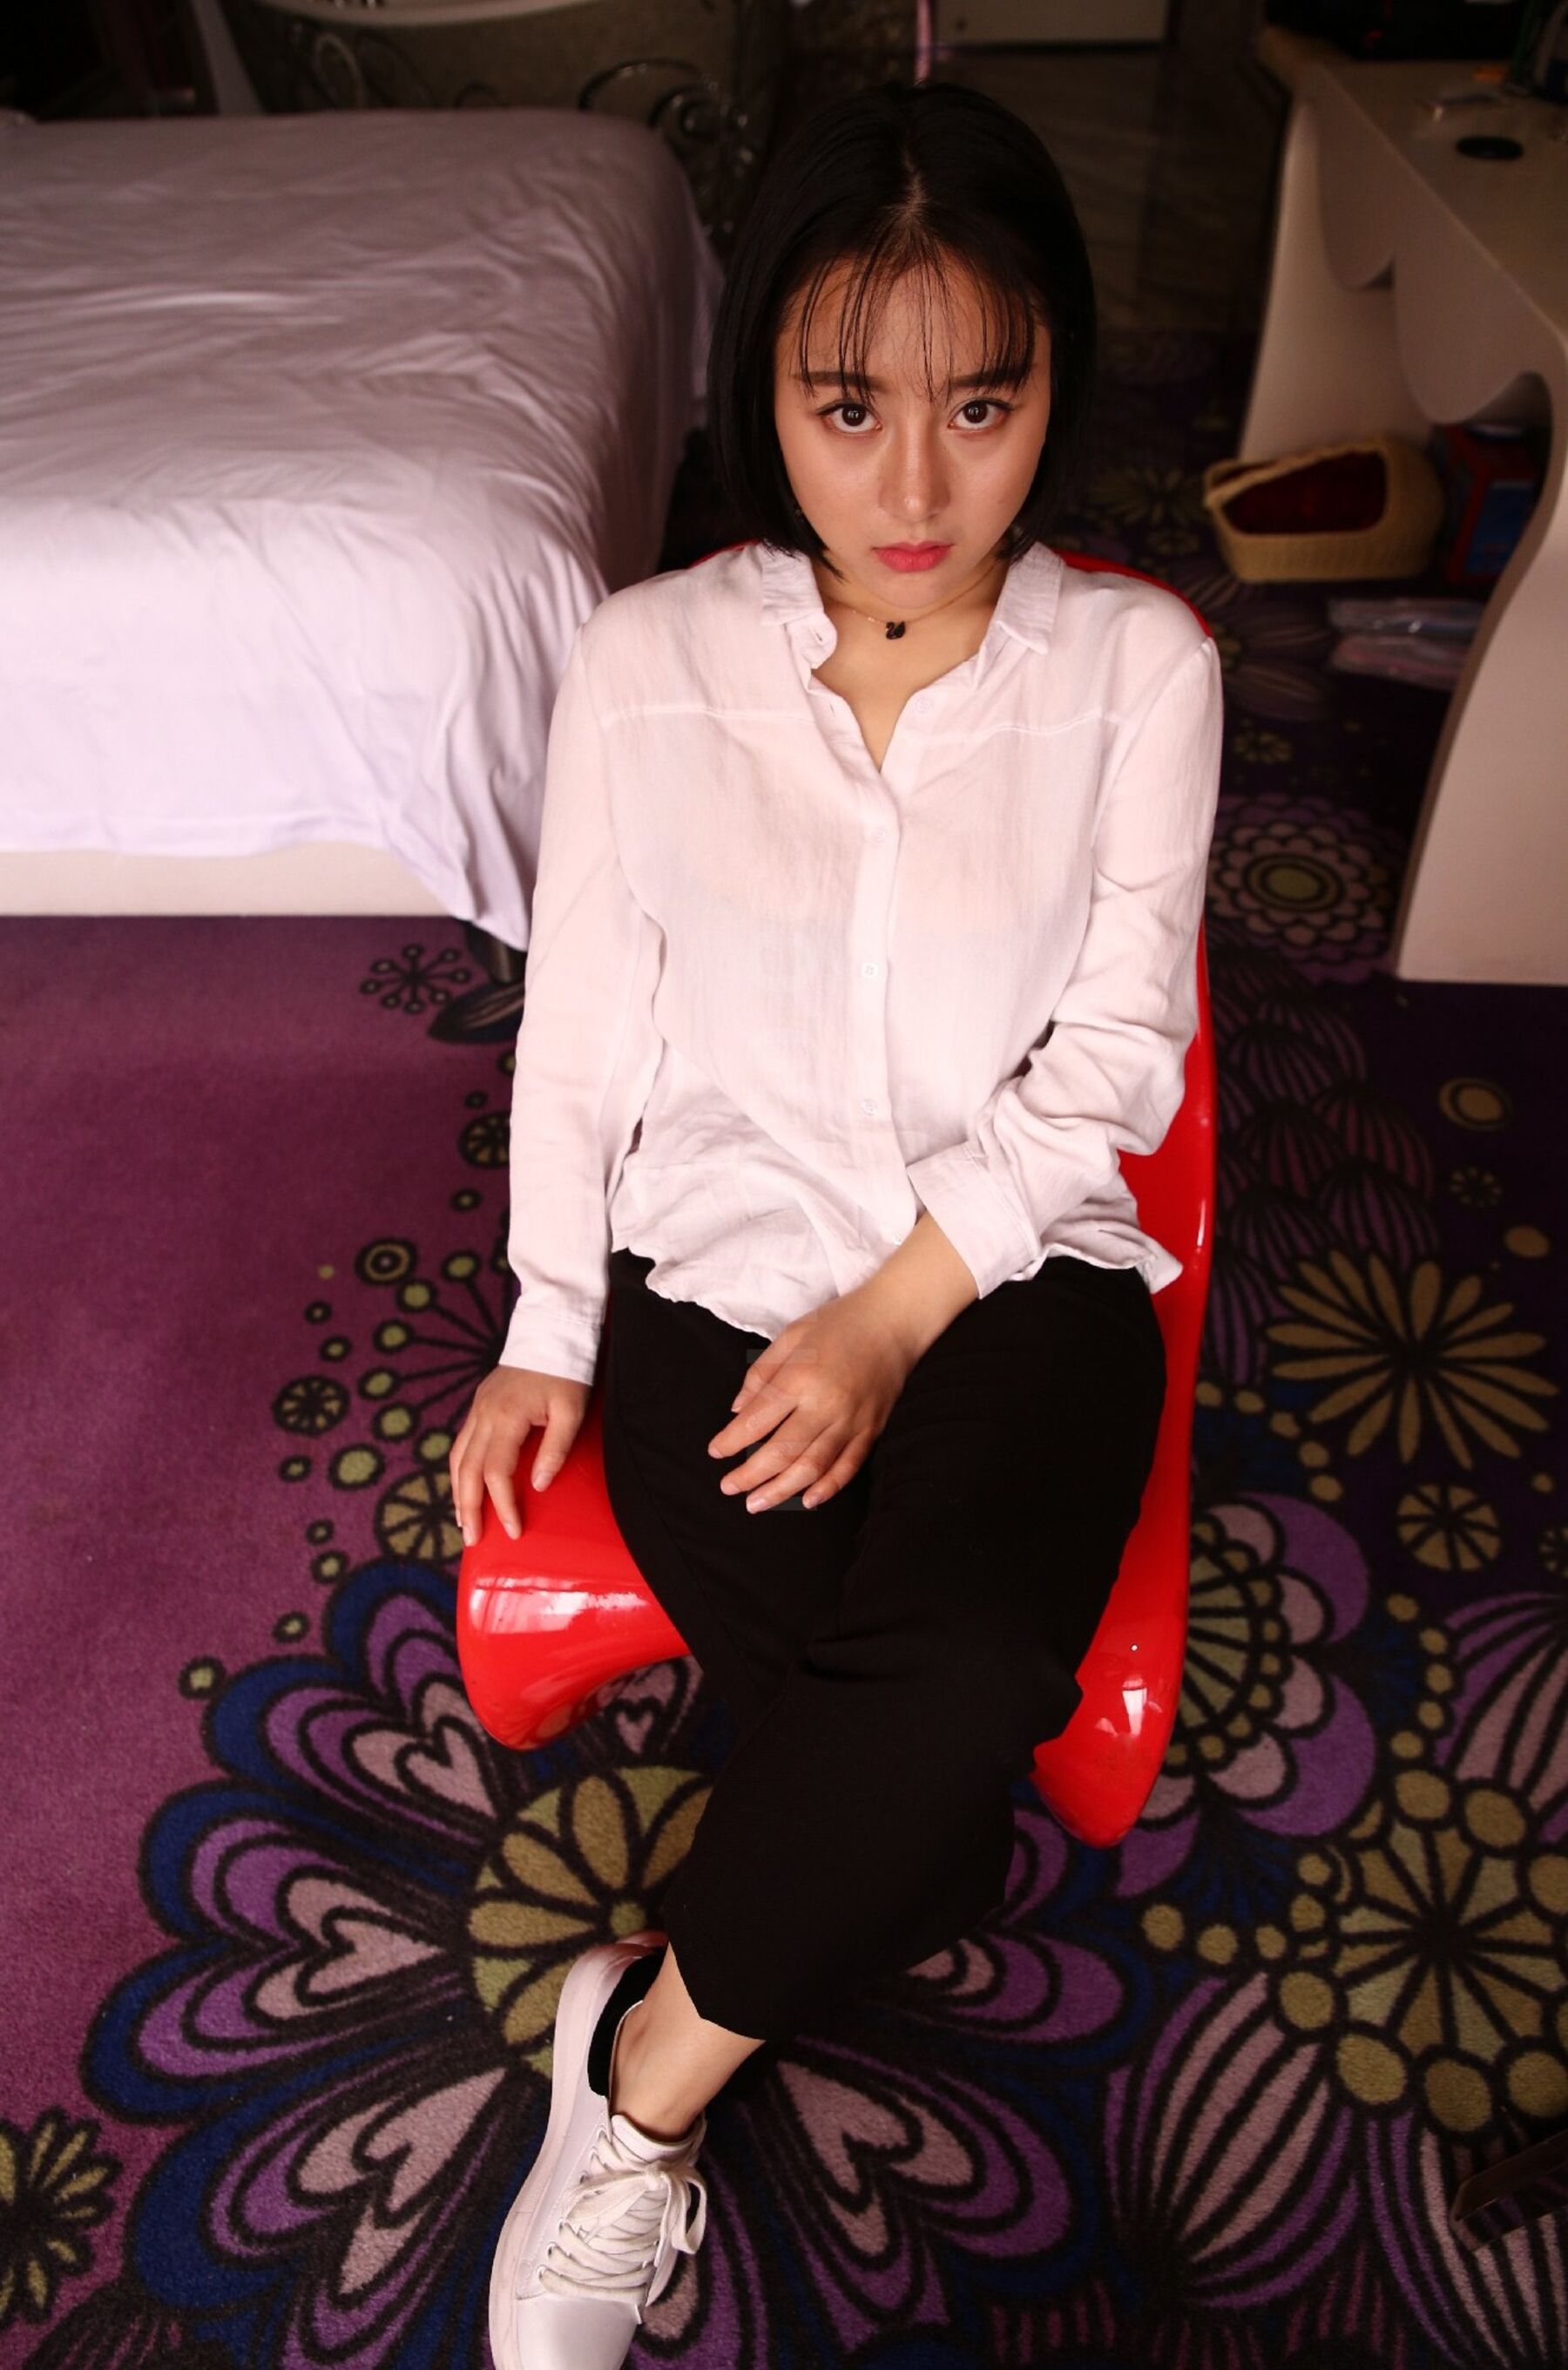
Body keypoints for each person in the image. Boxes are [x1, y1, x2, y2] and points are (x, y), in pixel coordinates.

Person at [450, 74, 1223, 2370]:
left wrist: (895, 1318)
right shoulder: (648, 660)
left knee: (959, 1676)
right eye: (847, 406)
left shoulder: (1140, 673)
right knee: (932, 1790)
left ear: (1056, 386)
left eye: (981, 407)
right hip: (718, 1276)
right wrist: (551, 1325)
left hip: (1019, 1274)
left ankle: (636, 2088)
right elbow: (584, 1027)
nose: (913, 490)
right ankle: (811, 1909)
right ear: (762, 390)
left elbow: (1118, 1062)